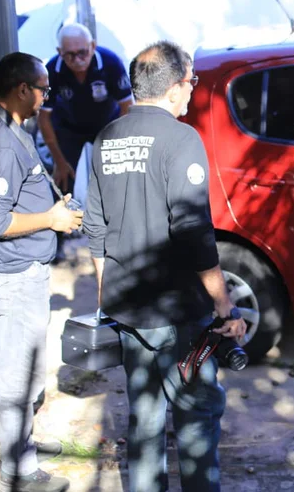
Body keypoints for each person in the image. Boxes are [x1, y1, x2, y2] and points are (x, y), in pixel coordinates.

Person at [83, 40, 246, 492]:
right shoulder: (181, 138)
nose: (192, 91)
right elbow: (194, 232)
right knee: (196, 423)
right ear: (175, 88)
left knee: (146, 423)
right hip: (180, 319)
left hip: (129, 311)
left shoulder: (105, 138)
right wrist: (223, 307)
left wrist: (107, 292)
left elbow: (94, 227)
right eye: (191, 82)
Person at [0, 52, 83, 492]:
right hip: (14, 274)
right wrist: (51, 220)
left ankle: (24, 442)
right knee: (16, 372)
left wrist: (52, 206)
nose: (46, 97)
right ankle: (19, 469)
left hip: (13, 269)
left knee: (27, 367)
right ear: (21, 90)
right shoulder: (1, 142)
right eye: (43, 89)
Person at [38, 23, 132, 261]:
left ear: (93, 47)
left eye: (83, 52)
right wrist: (59, 160)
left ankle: (117, 239)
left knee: (114, 180)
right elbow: (44, 117)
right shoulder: (52, 71)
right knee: (61, 181)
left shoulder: (110, 63)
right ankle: (55, 244)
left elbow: (127, 107)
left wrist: (118, 145)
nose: (77, 59)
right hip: (68, 127)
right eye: (70, 54)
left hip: (107, 125)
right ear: (60, 52)